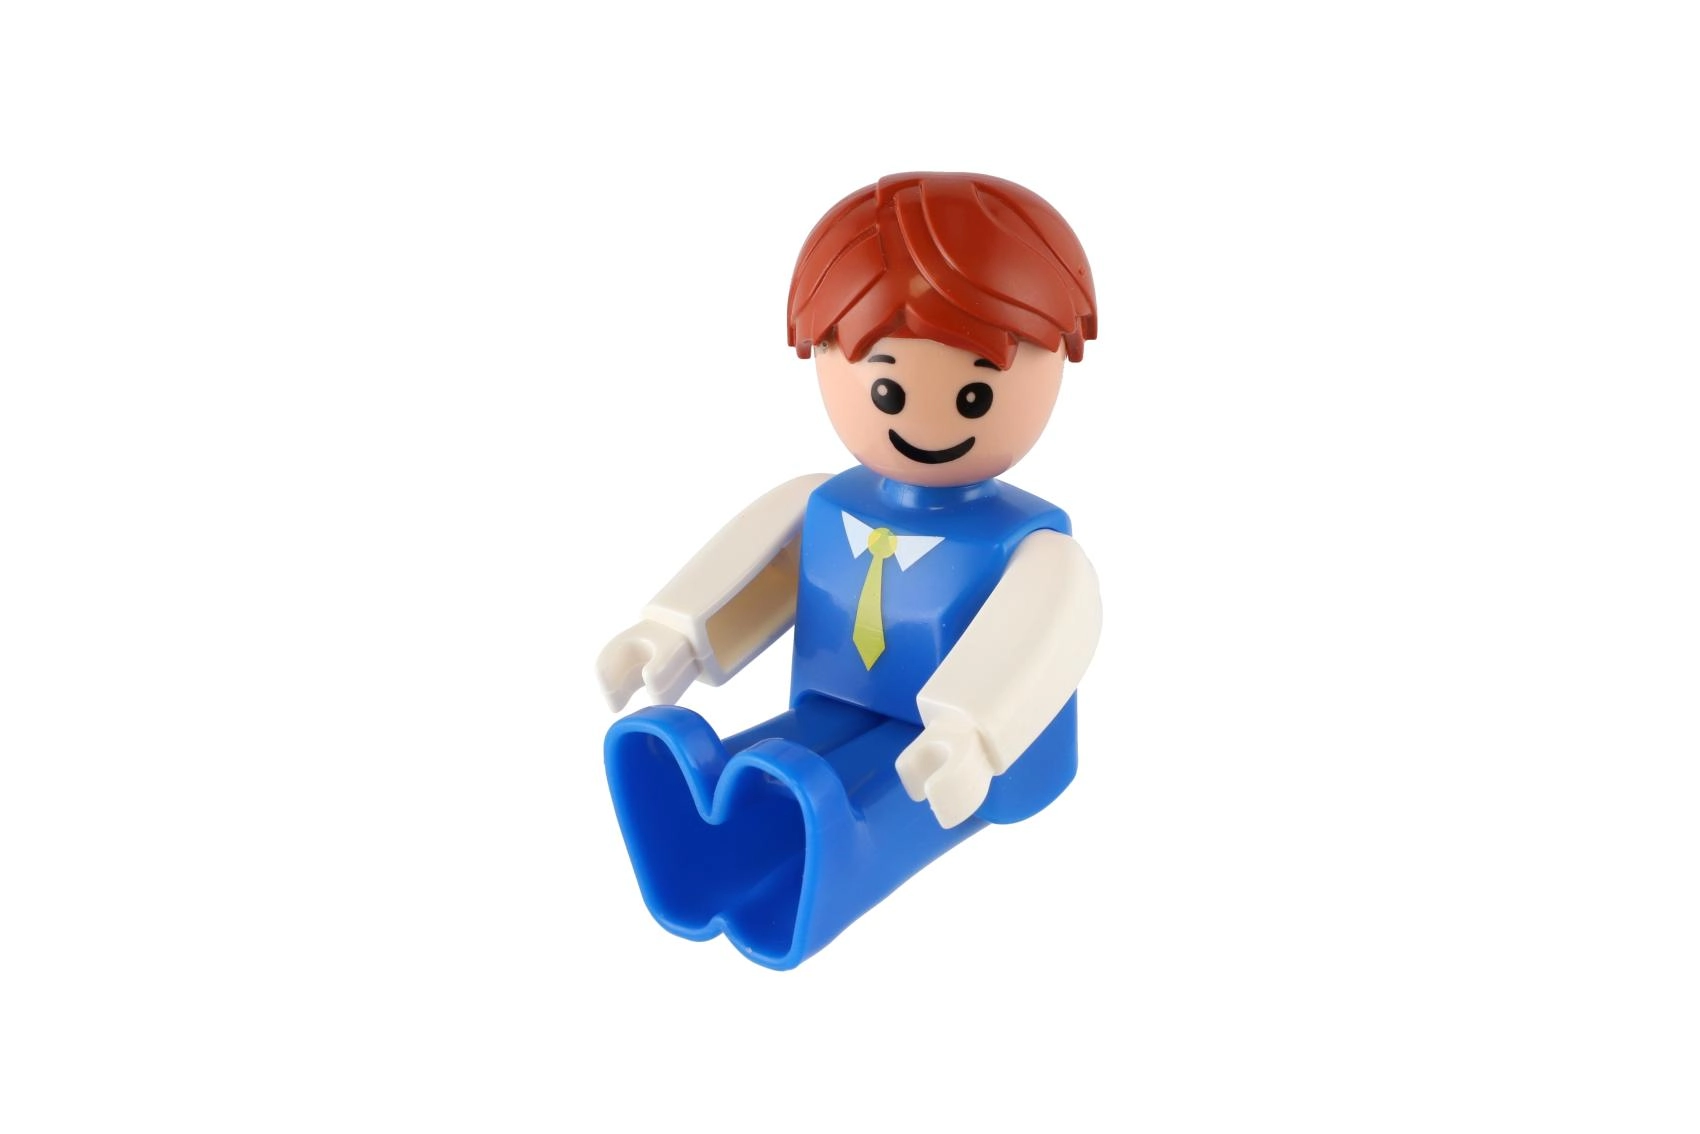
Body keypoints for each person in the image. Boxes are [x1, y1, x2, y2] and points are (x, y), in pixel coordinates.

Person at [596, 172, 1102, 969]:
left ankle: (821, 860)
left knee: (871, 802)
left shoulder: (1032, 547)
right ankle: (715, 820)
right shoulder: (825, 504)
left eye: (975, 395)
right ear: (822, 355)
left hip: (961, 750)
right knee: (777, 768)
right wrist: (675, 634)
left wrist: (976, 733)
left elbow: (1046, 636)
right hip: (837, 701)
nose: (926, 421)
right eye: (888, 387)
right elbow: (760, 571)